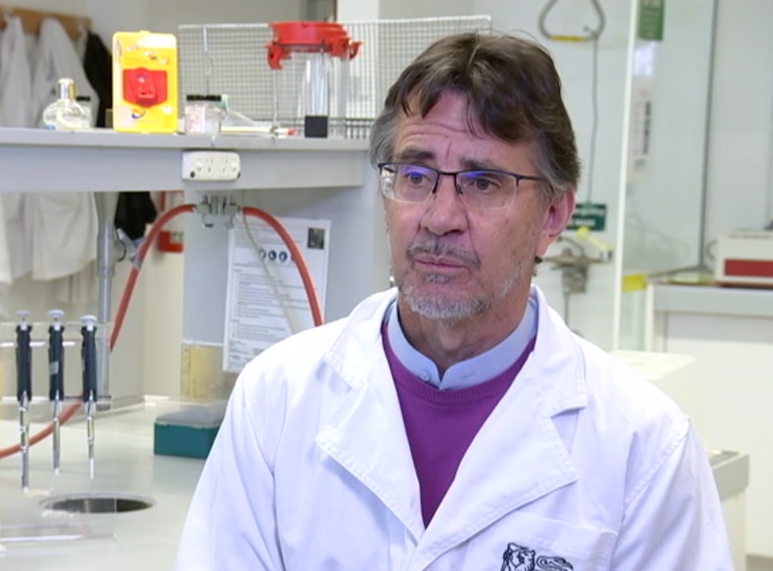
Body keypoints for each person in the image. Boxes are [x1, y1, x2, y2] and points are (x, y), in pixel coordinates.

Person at [175, 32, 732, 570]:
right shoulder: (276, 400)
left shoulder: (645, 446)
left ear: (554, 215)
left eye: (484, 182)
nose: (440, 218)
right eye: (416, 176)